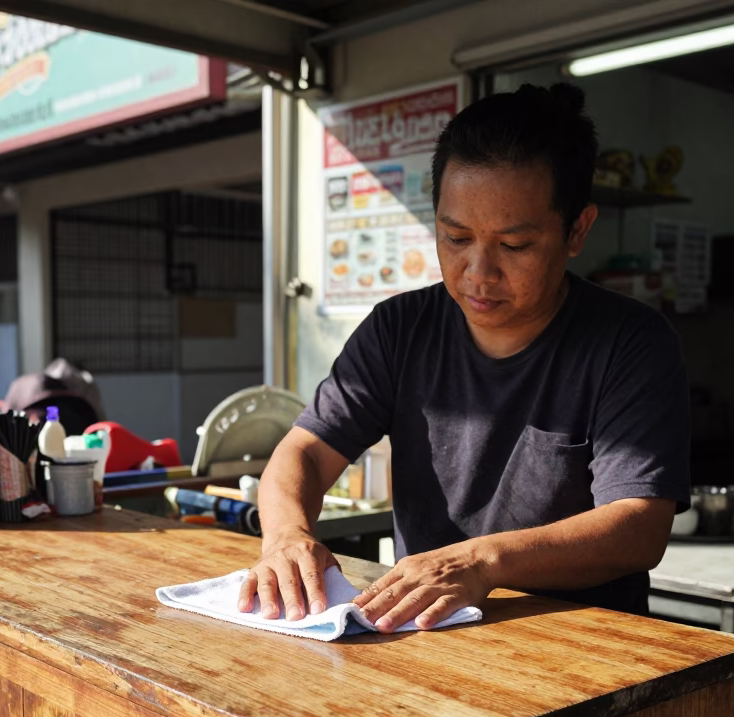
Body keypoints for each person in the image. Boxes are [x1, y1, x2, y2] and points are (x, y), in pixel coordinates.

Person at [239, 83, 690, 632]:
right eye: (455, 237)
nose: (479, 272)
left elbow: (638, 526)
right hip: (427, 638)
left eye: (515, 246)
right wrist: (287, 536)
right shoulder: (399, 329)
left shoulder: (630, 341)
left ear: (577, 229)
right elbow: (305, 452)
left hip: (585, 649)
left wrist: (481, 561)